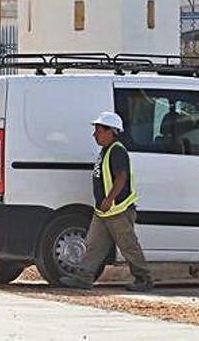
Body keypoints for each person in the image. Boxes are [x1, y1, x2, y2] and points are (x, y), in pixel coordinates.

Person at [60, 112, 153, 292]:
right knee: (93, 244)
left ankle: (144, 279)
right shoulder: (106, 150)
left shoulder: (117, 150)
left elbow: (121, 177)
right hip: (104, 211)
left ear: (111, 131)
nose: (95, 134)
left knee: (128, 246)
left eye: (99, 130)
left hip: (117, 210)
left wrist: (109, 199)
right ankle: (84, 277)